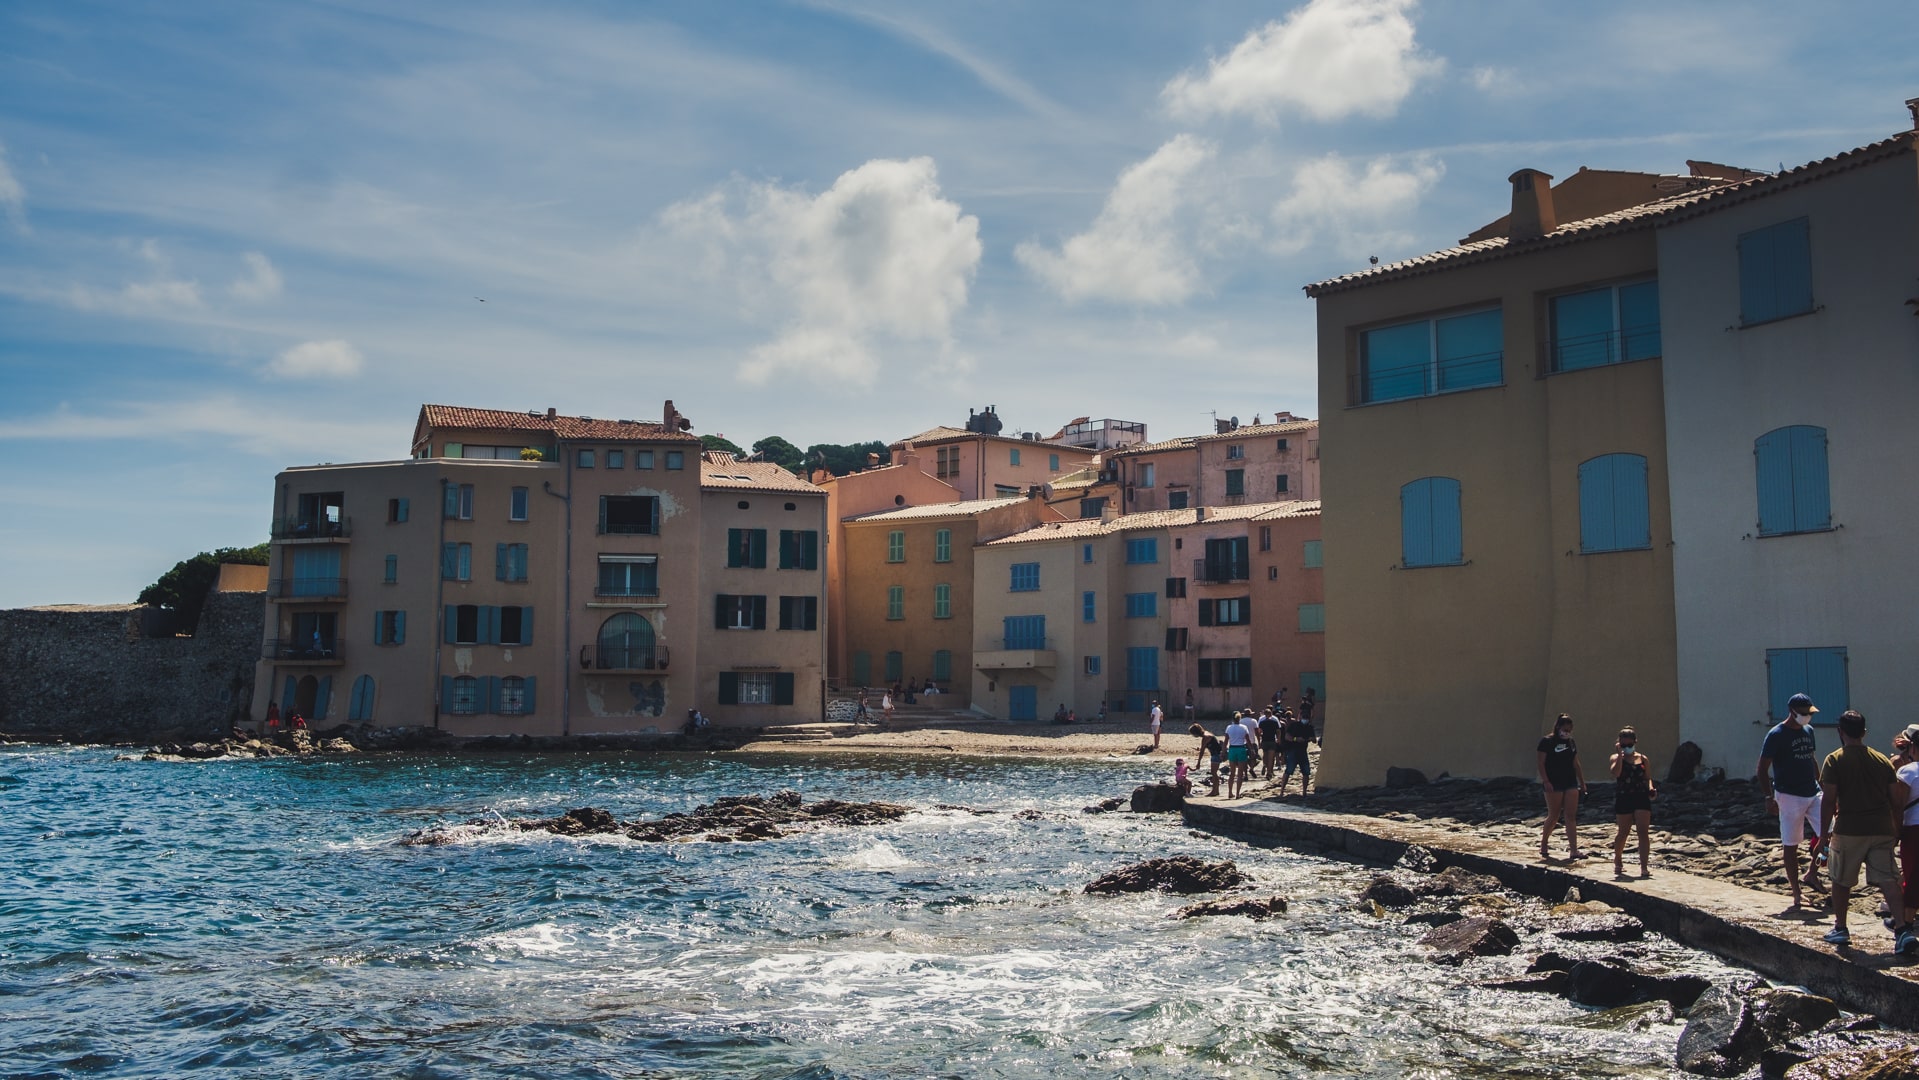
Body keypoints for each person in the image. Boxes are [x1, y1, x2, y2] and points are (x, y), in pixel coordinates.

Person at [1817, 710, 1912, 951]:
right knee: (1889, 879)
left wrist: (1823, 836)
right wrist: (1895, 829)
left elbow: (1828, 800)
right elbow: (1896, 800)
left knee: (1841, 880)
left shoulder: (1835, 759)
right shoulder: (1881, 760)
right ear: (1864, 732)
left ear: (1840, 732)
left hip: (1849, 828)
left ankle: (1841, 928)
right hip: (1881, 828)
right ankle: (1901, 929)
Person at [1757, 692, 1825, 907]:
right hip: (1788, 795)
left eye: (1809, 713)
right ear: (1792, 712)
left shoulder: (1809, 730)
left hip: (1813, 791)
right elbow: (1762, 768)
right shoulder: (1776, 734)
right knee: (1791, 843)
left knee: (1830, 833)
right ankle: (1796, 892)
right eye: (1803, 713)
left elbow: (1811, 758)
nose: (1807, 717)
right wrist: (1769, 797)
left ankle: (1813, 872)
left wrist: (1821, 784)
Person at [1537, 714, 1589, 861]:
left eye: (1570, 730)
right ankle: (1544, 843)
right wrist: (1546, 781)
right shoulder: (1547, 742)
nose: (1567, 732)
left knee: (1570, 816)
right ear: (1558, 727)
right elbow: (1541, 763)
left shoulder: (1571, 743)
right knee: (1554, 815)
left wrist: (1582, 782)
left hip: (1570, 781)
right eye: (1565, 729)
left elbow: (1575, 763)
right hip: (1554, 782)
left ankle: (1574, 850)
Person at [1610, 726, 1654, 878]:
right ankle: (1618, 858)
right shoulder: (1616, 759)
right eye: (1624, 745)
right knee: (1623, 832)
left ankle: (1644, 866)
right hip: (1624, 796)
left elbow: (1647, 778)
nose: (1627, 748)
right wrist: (1620, 755)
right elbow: (1616, 772)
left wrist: (1651, 789)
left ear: (1635, 742)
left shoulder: (1643, 759)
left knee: (1643, 831)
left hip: (1641, 796)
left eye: (1630, 745)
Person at [1892, 725, 1919, 950]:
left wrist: (1895, 832)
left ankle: (1906, 923)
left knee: (1911, 875)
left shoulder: (1908, 772)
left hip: (1913, 829)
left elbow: (1898, 805)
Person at [1279, 709, 1316, 798]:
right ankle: (1281, 791)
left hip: (1303, 752)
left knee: (1306, 772)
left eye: (1307, 718)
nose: (1305, 719)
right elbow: (1287, 737)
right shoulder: (1294, 725)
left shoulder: (1309, 727)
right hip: (1293, 751)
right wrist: (1296, 739)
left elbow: (1314, 739)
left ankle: (1304, 792)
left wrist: (1310, 739)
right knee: (1288, 771)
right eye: (1304, 718)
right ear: (1300, 717)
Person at [1223, 712, 1254, 799]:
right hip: (1241, 749)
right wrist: (1252, 750)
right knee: (1240, 773)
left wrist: (1223, 751)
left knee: (1232, 773)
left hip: (1232, 749)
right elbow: (1247, 740)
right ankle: (1237, 794)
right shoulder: (1244, 727)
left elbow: (1226, 741)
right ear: (1240, 719)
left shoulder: (1229, 727)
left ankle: (1230, 792)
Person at [1190, 724, 1222, 796]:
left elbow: (1202, 751)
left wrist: (1198, 763)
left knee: (1214, 773)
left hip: (1216, 755)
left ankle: (1214, 791)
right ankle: (1216, 790)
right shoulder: (1206, 733)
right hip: (1217, 754)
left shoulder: (1205, 737)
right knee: (1214, 773)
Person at [1257, 708, 1282, 780]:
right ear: (1271, 714)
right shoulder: (1274, 722)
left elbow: (1259, 732)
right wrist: (1278, 739)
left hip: (1264, 740)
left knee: (1265, 755)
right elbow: (1278, 731)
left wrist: (1260, 738)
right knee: (1271, 758)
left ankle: (1265, 764)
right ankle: (1269, 772)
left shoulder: (1262, 722)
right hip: (1272, 740)